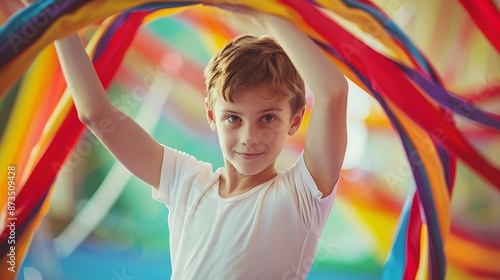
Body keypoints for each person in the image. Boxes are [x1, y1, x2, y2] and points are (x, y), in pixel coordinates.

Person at [53, 5, 348, 280]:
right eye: (233, 118)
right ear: (211, 114)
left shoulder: (301, 195)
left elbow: (333, 91)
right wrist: (58, 22)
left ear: (295, 120)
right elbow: (95, 113)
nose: (249, 138)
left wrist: (262, 12)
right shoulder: (185, 181)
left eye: (268, 118)